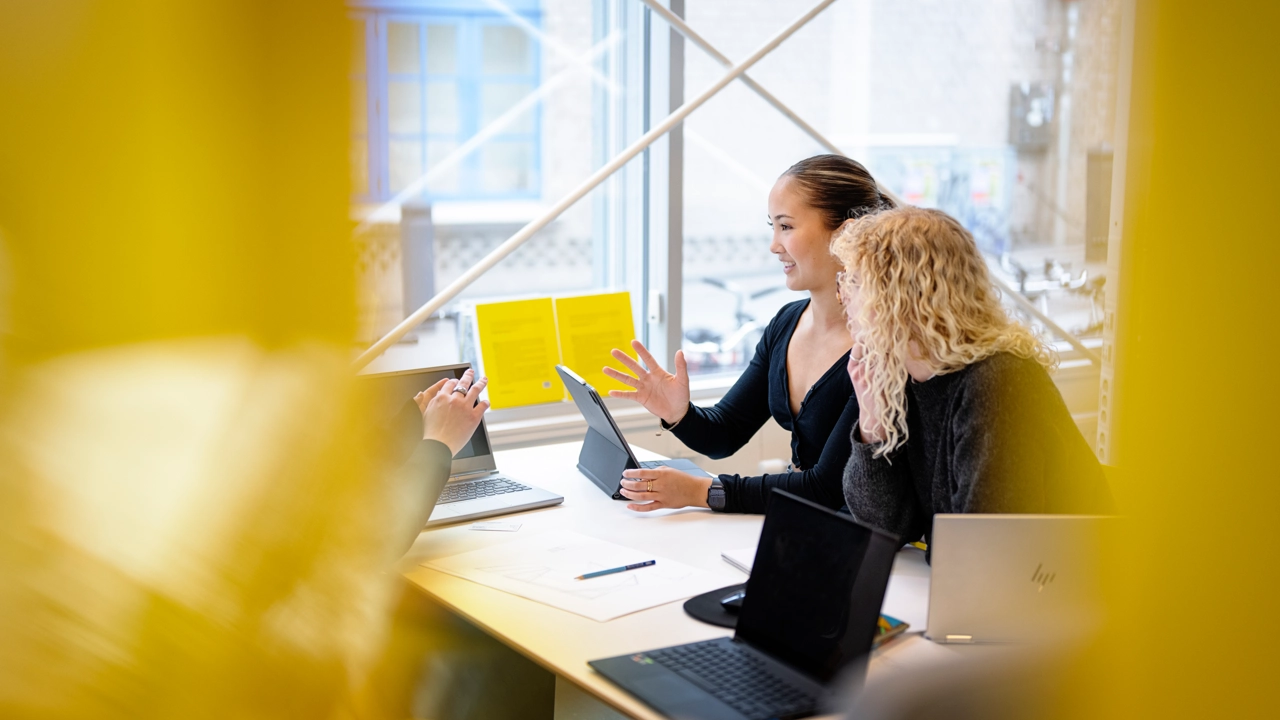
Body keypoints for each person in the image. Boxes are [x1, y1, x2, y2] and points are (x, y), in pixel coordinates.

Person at [604, 154, 893, 513]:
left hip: (865, 545)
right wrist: (679, 413)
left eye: (786, 227)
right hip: (808, 528)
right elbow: (725, 434)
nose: (774, 245)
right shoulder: (786, 323)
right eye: (772, 227)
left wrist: (702, 492)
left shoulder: (881, 346)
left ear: (846, 232)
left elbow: (827, 487)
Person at [832, 206, 1112, 549]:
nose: (844, 295)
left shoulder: (998, 382)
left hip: (1061, 587)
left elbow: (989, 551)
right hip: (985, 585)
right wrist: (872, 423)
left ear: (902, 295)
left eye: (855, 281)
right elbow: (888, 524)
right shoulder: (904, 376)